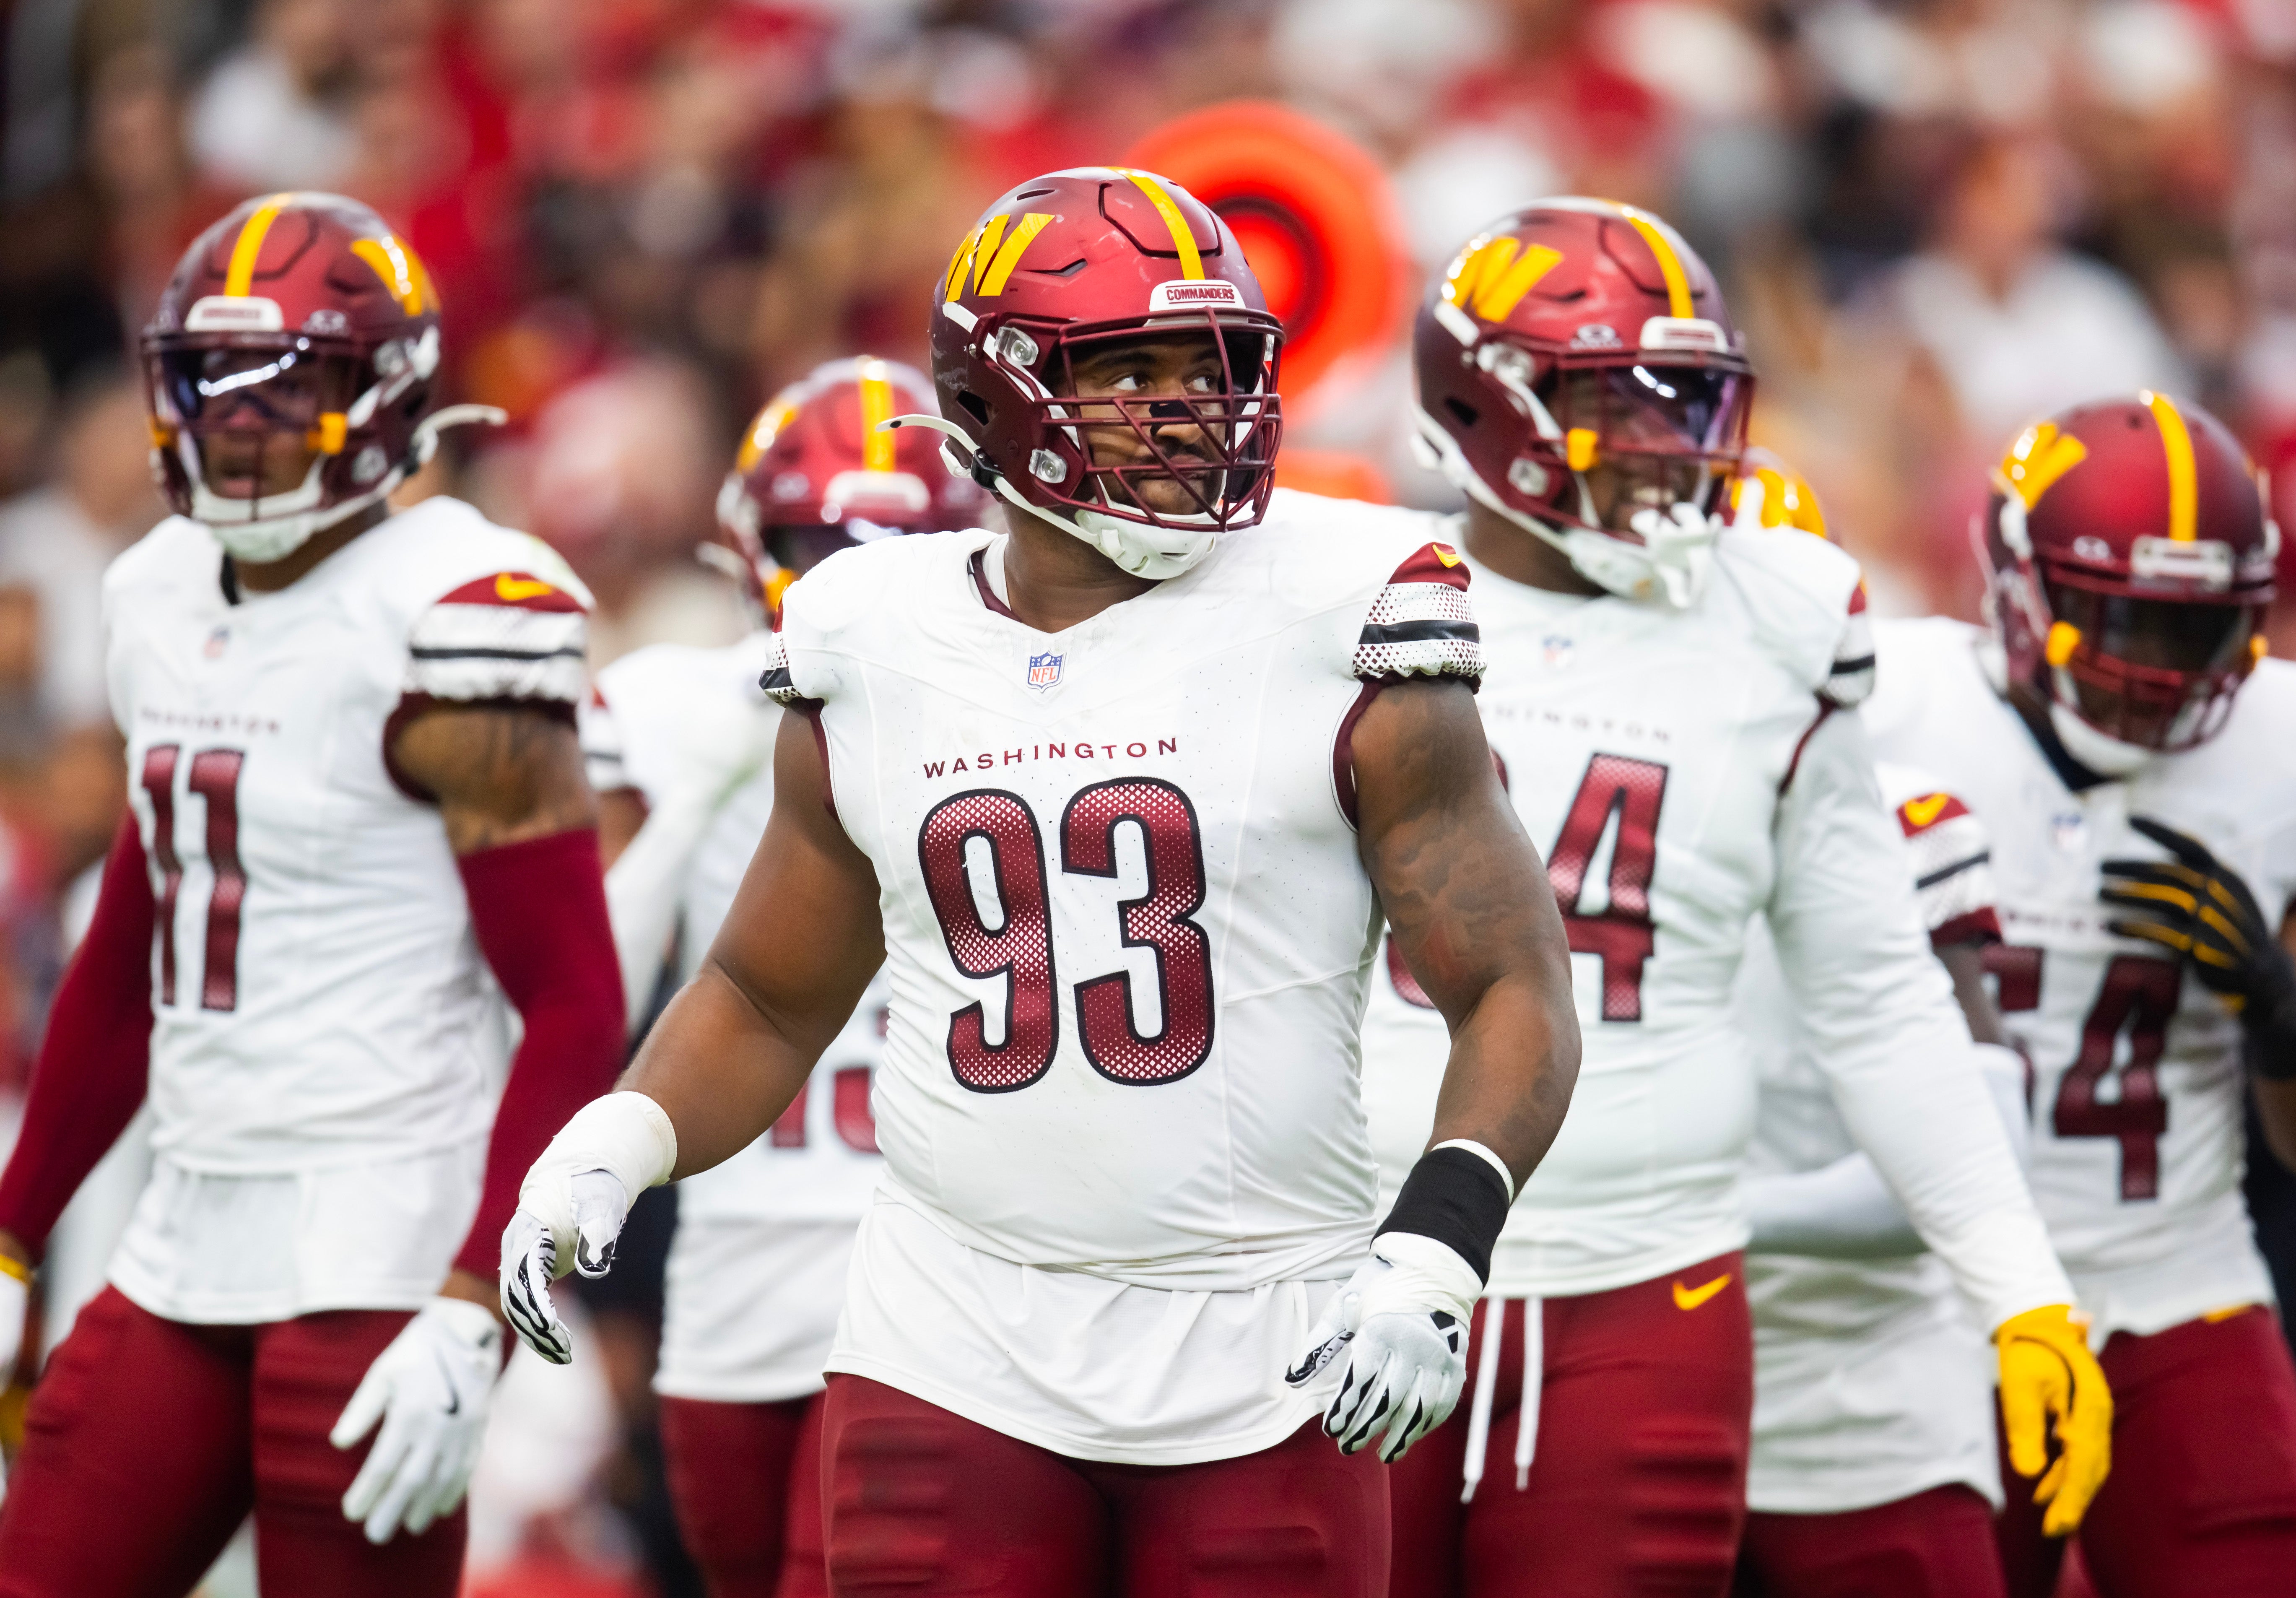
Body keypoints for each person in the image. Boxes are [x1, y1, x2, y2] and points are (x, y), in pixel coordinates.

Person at [503, 165, 1583, 1598]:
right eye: (1130, 372)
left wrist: (1438, 1243)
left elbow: (1510, 980)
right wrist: (621, 1140)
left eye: (1208, 368)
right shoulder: (872, 635)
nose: (1190, 411)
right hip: (952, 1330)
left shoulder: (1349, 605)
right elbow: (768, 993)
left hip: (1263, 1333)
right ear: (999, 397)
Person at [1365, 198, 2109, 1598]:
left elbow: (1875, 991)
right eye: (1609, 401)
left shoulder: (1777, 611)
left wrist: (2019, 1288)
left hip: (1650, 1277)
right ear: (1479, 404)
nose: (1663, 440)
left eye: (1682, 397)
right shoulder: (1343, 596)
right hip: (1352, 1253)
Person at [0, 192, 623, 1597]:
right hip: (183, 1229)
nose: (244, 421)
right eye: (213, 384)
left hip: (381, 1246)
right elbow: (134, 946)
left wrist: (480, 1302)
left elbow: (577, 1001)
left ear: (390, 396)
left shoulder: (455, 610)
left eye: (297, 386)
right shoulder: (156, 591)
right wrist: (15, 1229)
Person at [1862, 391, 2296, 1595]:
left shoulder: (2278, 744)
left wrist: (2277, 1011)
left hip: (2178, 1278)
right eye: (2123, 622)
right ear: (2013, 587)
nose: (2158, 676)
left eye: (2193, 633)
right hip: (1934, 1293)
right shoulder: (1884, 705)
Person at [581, 356, 983, 1598]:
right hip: (728, 1272)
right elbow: (573, 973)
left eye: (891, 547)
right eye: (822, 546)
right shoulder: (686, 709)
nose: (852, 582)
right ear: (756, 546)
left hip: (926, 1269)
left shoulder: (1029, 717)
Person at [1731, 756, 2030, 1598]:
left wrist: (1698, 1213)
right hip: (1614, 1360)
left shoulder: (1898, 821)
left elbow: (1976, 1156)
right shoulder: (1539, 770)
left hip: (1862, 1394)